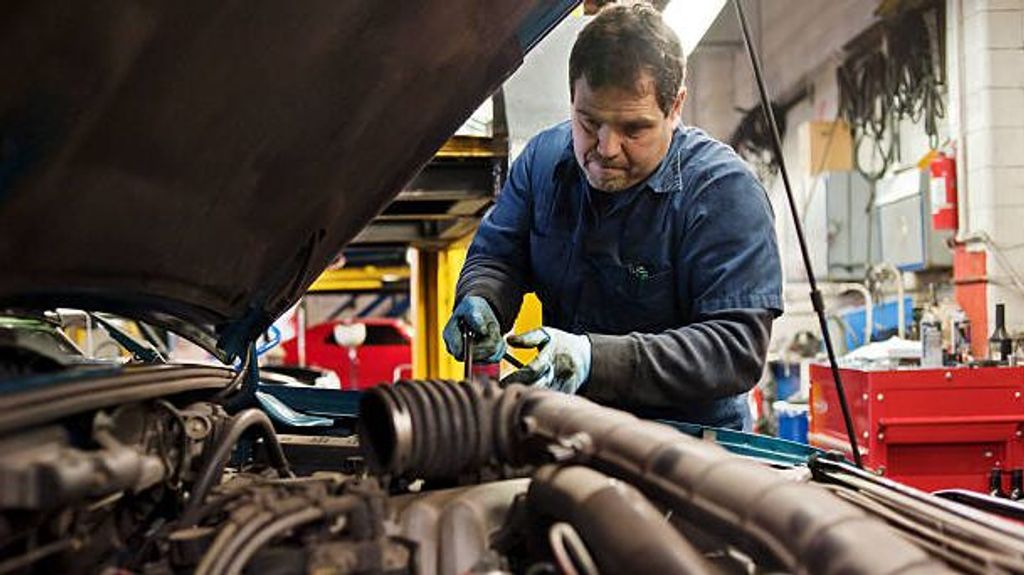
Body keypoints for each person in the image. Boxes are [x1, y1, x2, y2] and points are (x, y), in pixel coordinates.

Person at [442, 3, 783, 430]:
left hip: (691, 454)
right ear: (572, 99)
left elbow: (736, 348)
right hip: (570, 431)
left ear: (675, 107)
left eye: (633, 129)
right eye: (589, 123)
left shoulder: (722, 194)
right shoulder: (542, 166)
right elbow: (500, 256)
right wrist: (483, 298)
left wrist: (594, 359)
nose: (605, 148)